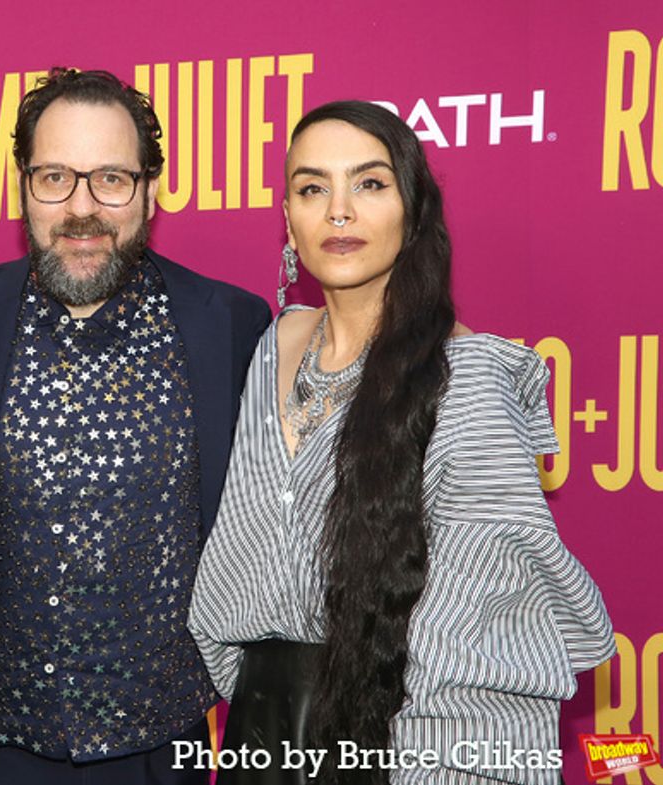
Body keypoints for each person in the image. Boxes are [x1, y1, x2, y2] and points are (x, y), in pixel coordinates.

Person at [187, 100, 615, 784]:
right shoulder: (275, 346)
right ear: (289, 223)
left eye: (370, 183)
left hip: (398, 749)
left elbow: (483, 641)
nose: (338, 211)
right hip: (260, 740)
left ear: (413, 212)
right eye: (311, 187)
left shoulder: (467, 378)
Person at [0, 68, 271, 785]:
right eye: (54, 178)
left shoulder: (230, 325)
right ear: (22, 189)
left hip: (163, 751)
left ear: (150, 191)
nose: (81, 207)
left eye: (110, 178)